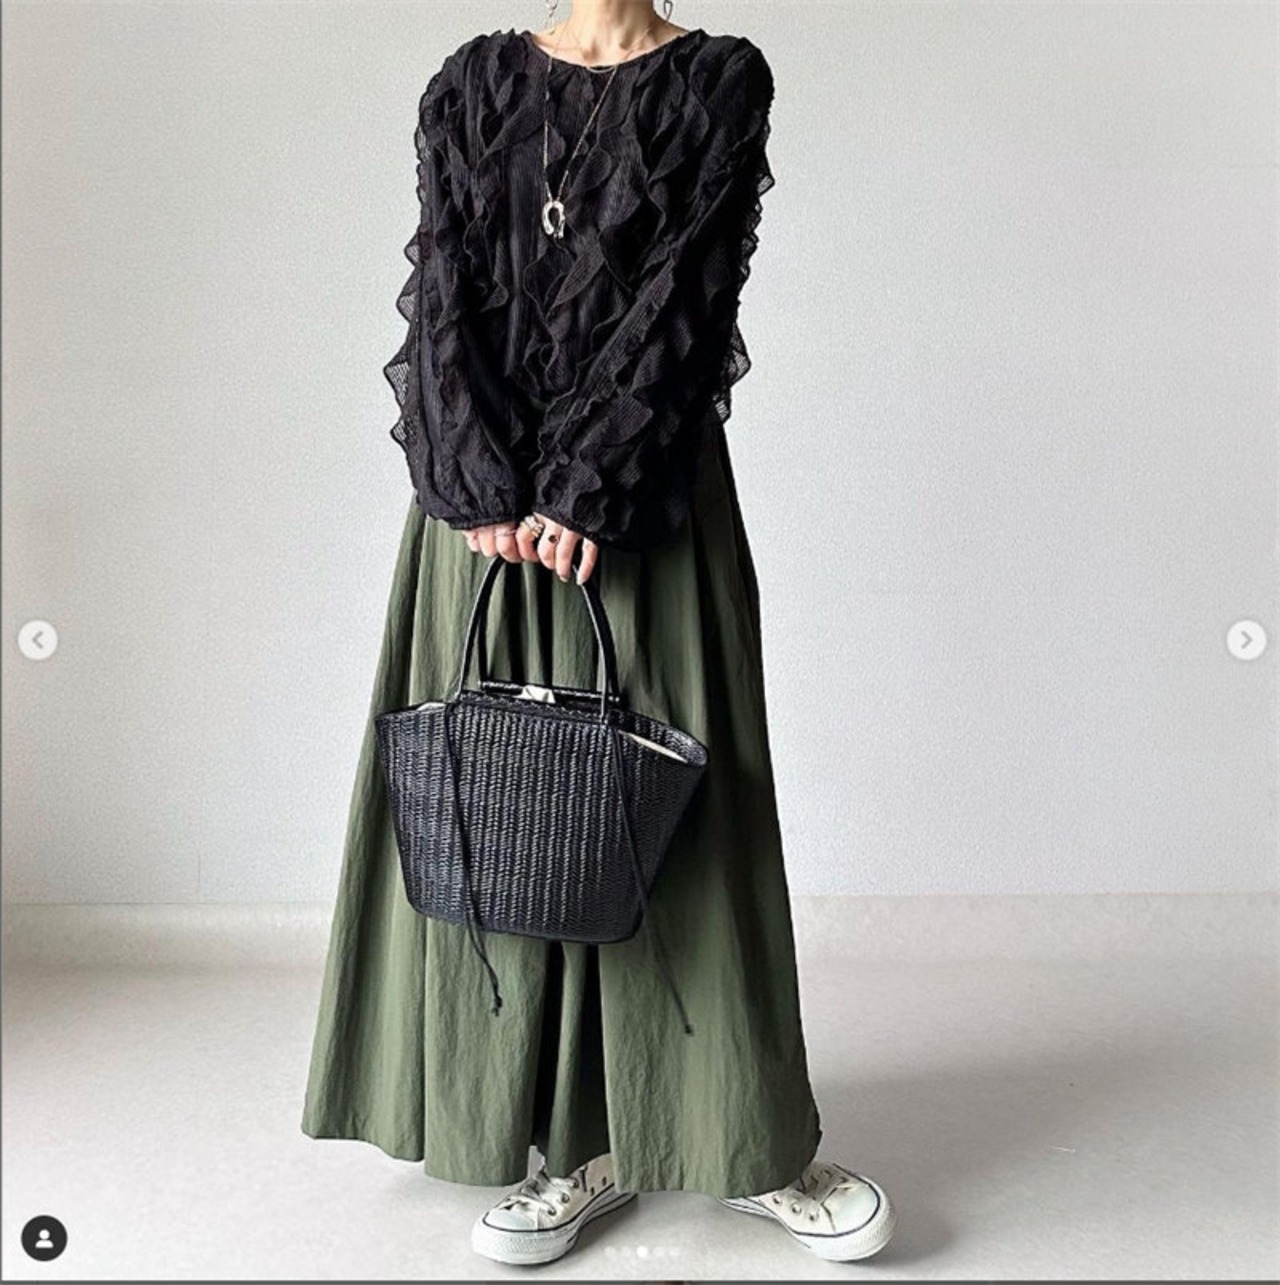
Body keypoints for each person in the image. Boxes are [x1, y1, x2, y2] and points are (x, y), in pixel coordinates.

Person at [300, 0, 897, 1267]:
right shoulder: (470, 81)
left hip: (645, 493)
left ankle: (735, 1137)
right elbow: (443, 284)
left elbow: (689, 289)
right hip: (478, 516)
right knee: (497, 810)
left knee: (685, 813)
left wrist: (589, 487)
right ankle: (562, 1145)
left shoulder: (718, 79)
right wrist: (476, 482)